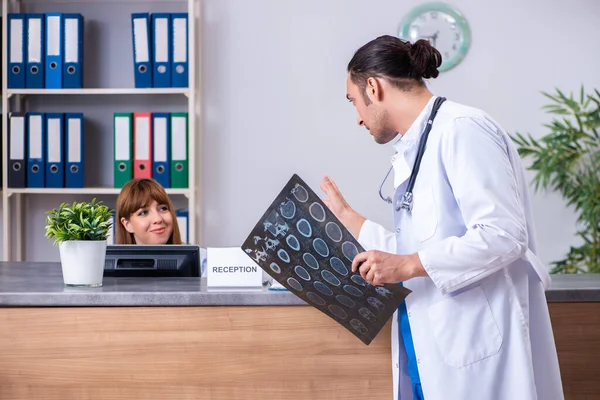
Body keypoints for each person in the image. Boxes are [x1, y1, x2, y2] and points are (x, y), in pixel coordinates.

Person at [320, 35, 564, 400]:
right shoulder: (421, 143)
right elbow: (419, 250)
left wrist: (406, 265)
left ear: (373, 87)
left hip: (475, 347)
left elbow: (505, 234)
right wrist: (346, 216)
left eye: (353, 101)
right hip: (429, 341)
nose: (357, 118)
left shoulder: (462, 128)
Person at [116, 178, 183, 245]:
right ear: (127, 224)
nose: (158, 219)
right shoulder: (106, 255)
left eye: (163, 209)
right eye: (143, 213)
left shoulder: (192, 254)